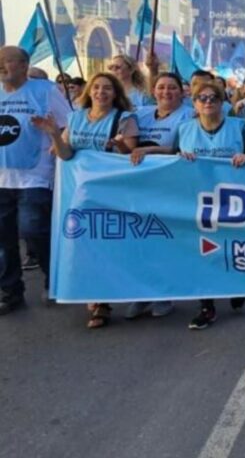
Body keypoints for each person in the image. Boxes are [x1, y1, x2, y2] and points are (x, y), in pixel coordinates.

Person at [42, 72, 138, 328]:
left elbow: (131, 155)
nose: (101, 92)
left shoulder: (125, 119)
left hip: (110, 192)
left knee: (105, 245)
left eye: (107, 88)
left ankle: (102, 302)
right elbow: (65, 154)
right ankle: (92, 296)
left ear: (115, 94)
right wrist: (54, 135)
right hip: (78, 192)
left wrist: (120, 146)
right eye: (96, 87)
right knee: (83, 244)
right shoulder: (75, 118)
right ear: (89, 91)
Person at [176, 79, 245, 330]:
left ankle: (237, 285)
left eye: (213, 98)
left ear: (222, 102)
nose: (208, 102)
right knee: (203, 251)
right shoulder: (184, 129)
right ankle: (206, 306)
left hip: (232, 199)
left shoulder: (236, 127)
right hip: (198, 201)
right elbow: (170, 161)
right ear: (194, 103)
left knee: (230, 247)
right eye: (202, 98)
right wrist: (179, 157)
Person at [0, 47, 71, 315]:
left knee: (33, 230)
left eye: (6, 61)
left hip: (35, 176)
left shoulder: (45, 91)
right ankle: (11, 291)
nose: (1, 66)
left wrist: (57, 140)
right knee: (3, 239)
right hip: (2, 179)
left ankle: (54, 277)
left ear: (23, 65)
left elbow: (68, 124)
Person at [125, 71, 194, 320]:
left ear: (182, 92)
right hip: (139, 186)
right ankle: (141, 294)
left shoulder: (189, 115)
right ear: (153, 91)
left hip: (169, 187)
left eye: (172, 87)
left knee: (164, 241)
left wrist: (150, 150)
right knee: (138, 242)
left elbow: (183, 149)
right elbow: (128, 145)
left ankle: (164, 293)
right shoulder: (140, 114)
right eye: (161, 87)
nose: (166, 92)